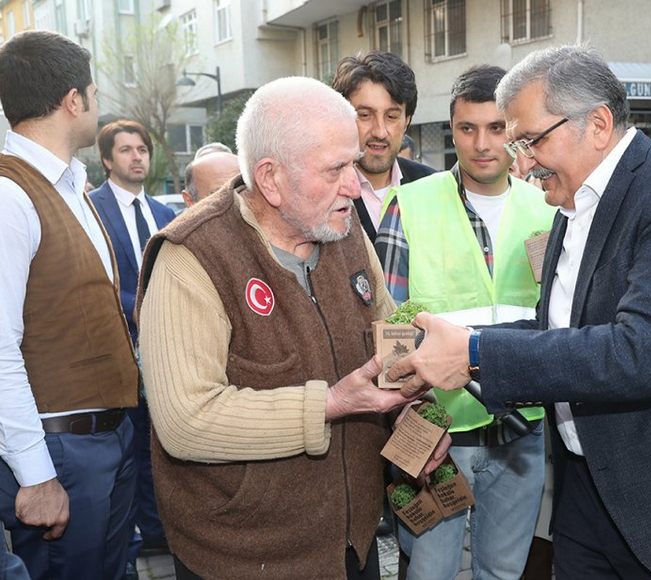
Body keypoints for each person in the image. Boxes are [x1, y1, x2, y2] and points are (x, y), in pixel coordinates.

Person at [388, 45, 651, 579]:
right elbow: (559, 330)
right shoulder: (572, 203)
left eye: (531, 141)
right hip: (588, 492)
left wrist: (475, 351)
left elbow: (639, 351)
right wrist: (456, 340)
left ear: (598, 124)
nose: (523, 162)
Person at [137, 76, 441, 580]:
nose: (354, 184)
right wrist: (331, 402)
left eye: (354, 162)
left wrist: (420, 426)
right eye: (336, 169)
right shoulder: (192, 257)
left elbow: (392, 341)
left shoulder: (342, 229)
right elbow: (186, 421)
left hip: (353, 542)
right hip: (244, 558)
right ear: (271, 179)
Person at [375, 65, 554, 580]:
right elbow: (392, 327)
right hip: (440, 433)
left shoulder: (546, 207)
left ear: (514, 130)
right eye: (466, 128)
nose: (481, 144)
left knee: (503, 572)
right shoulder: (409, 204)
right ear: (450, 129)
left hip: (522, 427)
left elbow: (560, 320)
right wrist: (412, 426)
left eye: (496, 128)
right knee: (430, 572)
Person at [0, 30, 139, 579]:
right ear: (73, 101)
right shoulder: (11, 197)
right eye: (93, 93)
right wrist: (36, 475)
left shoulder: (68, 185)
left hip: (106, 438)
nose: (97, 104)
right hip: (59, 452)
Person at [90, 119, 176, 573]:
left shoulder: (166, 215)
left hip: (167, 351)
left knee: (165, 441)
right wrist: (144, 306)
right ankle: (146, 533)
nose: (137, 156)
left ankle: (166, 528)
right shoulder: (90, 210)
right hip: (118, 354)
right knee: (134, 445)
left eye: (142, 148)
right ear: (107, 159)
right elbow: (98, 282)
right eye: (125, 150)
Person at [332, 51, 434, 241]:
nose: (379, 131)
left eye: (391, 116)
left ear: (407, 121)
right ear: (343, 117)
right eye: (364, 115)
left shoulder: (432, 187)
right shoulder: (326, 191)